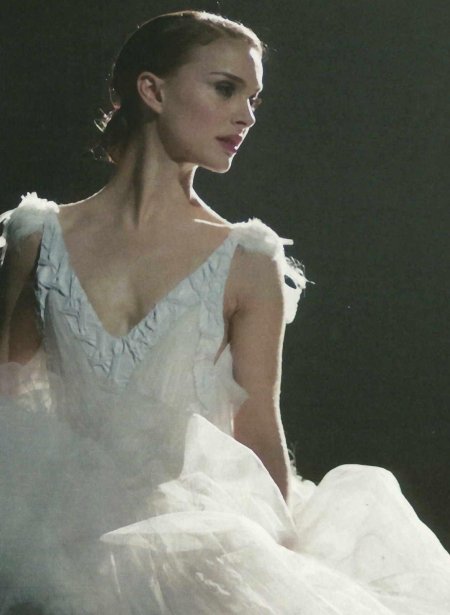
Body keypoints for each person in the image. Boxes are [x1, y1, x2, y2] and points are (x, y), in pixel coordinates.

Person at [0, 10, 449, 615]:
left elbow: (257, 423)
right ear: (153, 90)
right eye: (225, 88)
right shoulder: (37, 236)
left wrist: (284, 565)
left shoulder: (247, 258)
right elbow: (10, 397)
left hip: (195, 545)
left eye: (253, 98)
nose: (247, 116)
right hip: (49, 542)